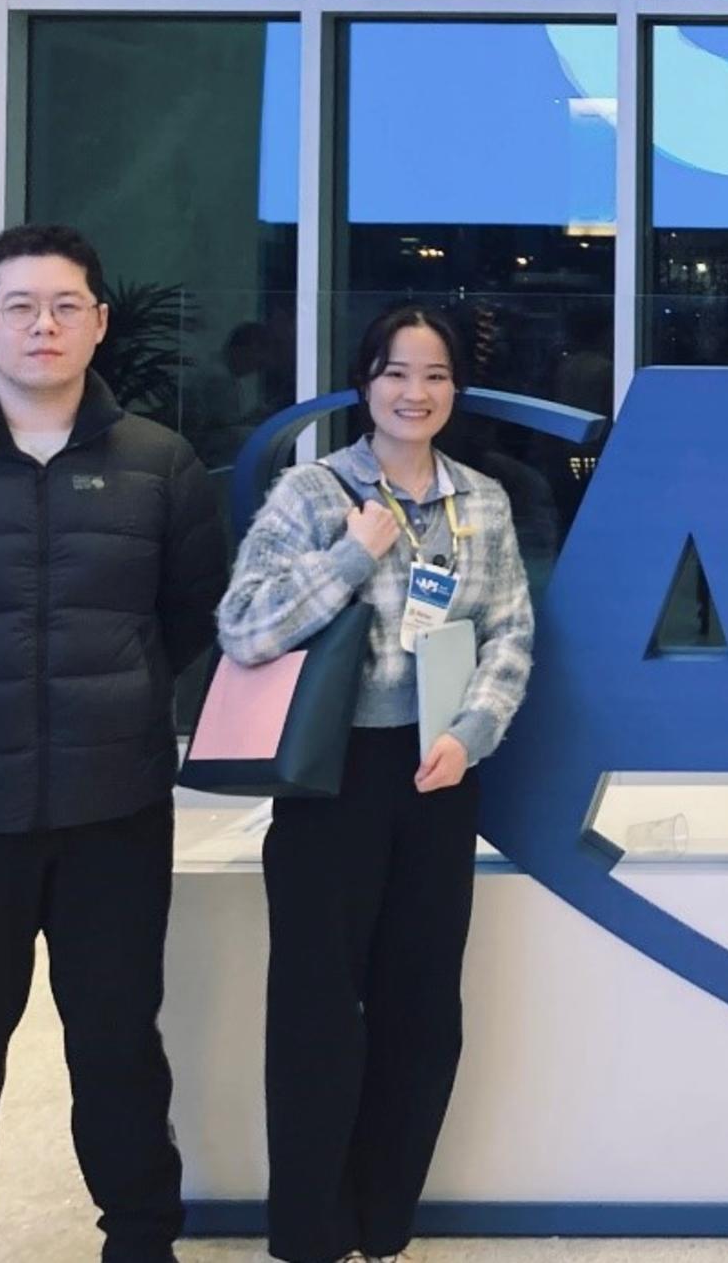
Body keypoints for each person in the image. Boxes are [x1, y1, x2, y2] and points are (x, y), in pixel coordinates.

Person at [0, 223, 227, 1263]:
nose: (44, 324)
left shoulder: (160, 465)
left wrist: (112, 708)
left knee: (119, 1046)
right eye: (21, 306)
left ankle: (141, 1240)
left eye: (67, 305)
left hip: (113, 810)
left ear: (99, 324)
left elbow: (189, 616)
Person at [216, 305, 536, 1263]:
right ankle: (311, 1230)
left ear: (454, 391)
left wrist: (473, 733)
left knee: (423, 1007)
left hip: (437, 778)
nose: (415, 392)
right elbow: (243, 626)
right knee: (318, 1009)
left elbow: (511, 631)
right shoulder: (313, 494)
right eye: (397, 372)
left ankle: (385, 1219)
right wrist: (353, 551)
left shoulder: (481, 500)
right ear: (366, 382)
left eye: (435, 375)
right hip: (328, 782)